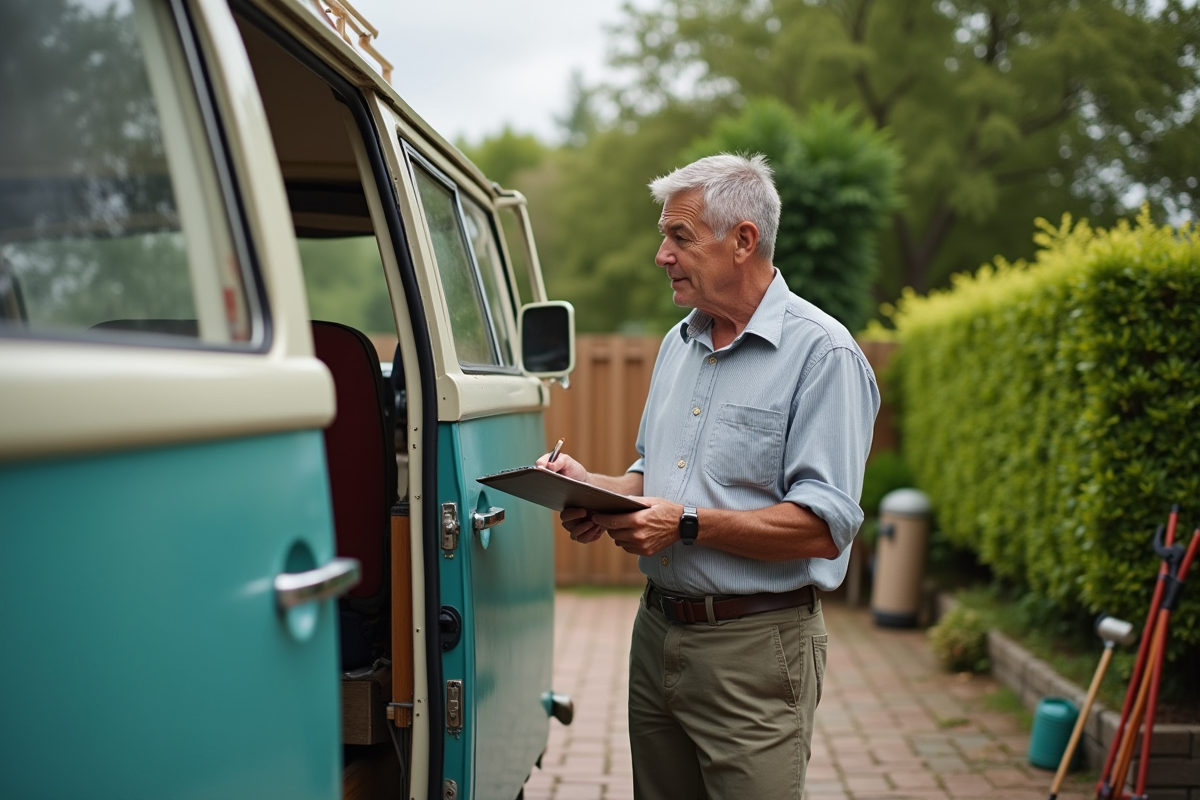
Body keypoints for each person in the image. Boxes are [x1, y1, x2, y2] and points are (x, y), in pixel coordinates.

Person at [537, 153, 880, 800]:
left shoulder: (824, 356)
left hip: (756, 650)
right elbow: (654, 479)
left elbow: (824, 526)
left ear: (744, 240)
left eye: (680, 237)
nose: (661, 254)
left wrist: (686, 526)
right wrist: (596, 490)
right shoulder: (679, 342)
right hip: (657, 638)